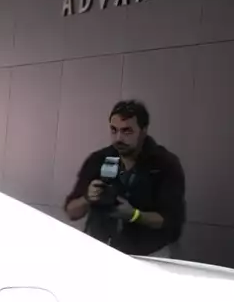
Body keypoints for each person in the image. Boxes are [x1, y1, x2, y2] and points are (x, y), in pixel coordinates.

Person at [65, 99, 186, 258]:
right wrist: (88, 198)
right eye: (114, 130)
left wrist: (134, 215)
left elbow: (171, 222)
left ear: (143, 131)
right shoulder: (98, 159)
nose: (118, 138)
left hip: (149, 254)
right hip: (100, 252)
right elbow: (71, 212)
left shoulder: (165, 164)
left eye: (127, 131)